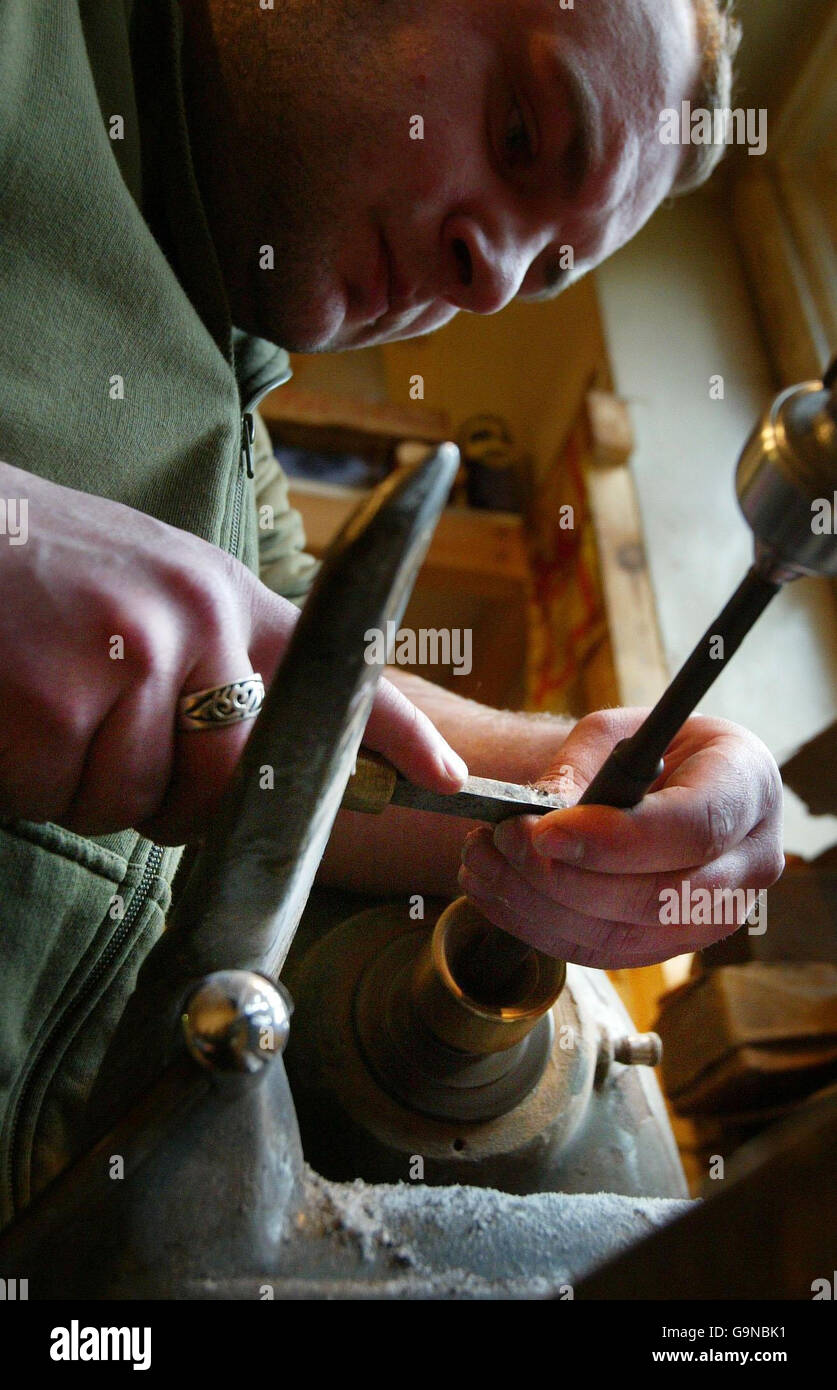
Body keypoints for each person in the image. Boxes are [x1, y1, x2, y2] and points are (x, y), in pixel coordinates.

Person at [0, 0, 782, 1221]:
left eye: (548, 270)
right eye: (524, 132)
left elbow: (310, 720)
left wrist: (611, 787)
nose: (497, 277)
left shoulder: (227, 413)